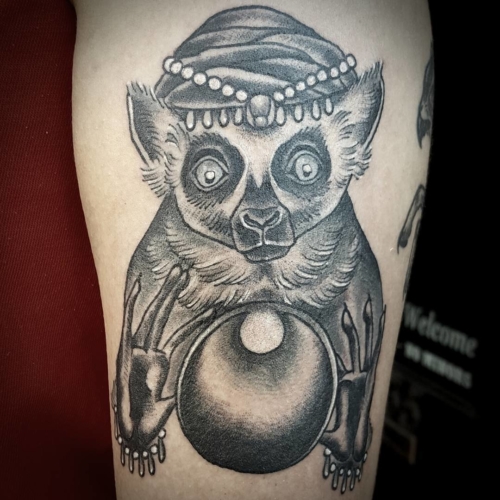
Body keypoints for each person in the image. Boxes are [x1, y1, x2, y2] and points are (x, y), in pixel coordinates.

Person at [72, 1, 433, 498]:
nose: (260, 209)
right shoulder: (161, 266)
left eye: (302, 168)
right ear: (164, 155)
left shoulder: (347, 264)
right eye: (212, 173)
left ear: (349, 144)